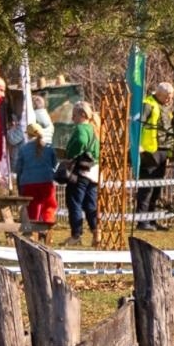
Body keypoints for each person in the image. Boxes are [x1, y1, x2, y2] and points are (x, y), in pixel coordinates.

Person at [134, 81, 174, 230]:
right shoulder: (148, 104)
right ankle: (142, 220)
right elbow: (139, 124)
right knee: (147, 187)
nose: (169, 99)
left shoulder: (165, 107)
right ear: (158, 93)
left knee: (157, 188)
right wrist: (138, 145)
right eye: (166, 96)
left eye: (171, 96)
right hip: (149, 151)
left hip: (163, 150)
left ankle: (152, 219)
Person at [13, 123, 61, 238]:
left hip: (29, 183)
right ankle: (46, 230)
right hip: (46, 182)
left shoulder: (23, 149)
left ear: (28, 135)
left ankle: (31, 231)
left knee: (33, 207)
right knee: (48, 206)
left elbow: (18, 168)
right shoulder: (49, 148)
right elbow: (55, 164)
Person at [63, 100, 100, 246]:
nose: (73, 118)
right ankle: (97, 232)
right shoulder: (95, 129)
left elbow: (80, 141)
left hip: (81, 172)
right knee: (90, 205)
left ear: (82, 115)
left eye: (74, 115)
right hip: (94, 172)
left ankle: (76, 235)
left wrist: (71, 153)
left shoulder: (81, 129)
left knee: (74, 203)